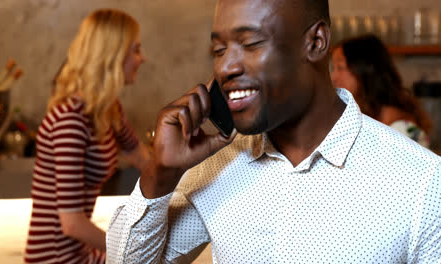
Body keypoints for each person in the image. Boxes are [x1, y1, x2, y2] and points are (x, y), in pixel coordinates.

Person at [106, 0, 441, 263]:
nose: (225, 67)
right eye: (219, 49)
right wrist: (159, 174)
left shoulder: (421, 183)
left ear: (316, 42)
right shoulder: (220, 166)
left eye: (250, 43)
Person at [24, 9, 150, 264]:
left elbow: (142, 158)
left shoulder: (109, 110)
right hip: (55, 260)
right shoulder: (70, 119)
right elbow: (72, 224)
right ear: (113, 54)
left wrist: (188, 179)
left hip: (80, 255)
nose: (142, 58)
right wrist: (129, 250)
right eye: (135, 49)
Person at [331, 34, 432, 147]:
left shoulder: (402, 130)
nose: (333, 77)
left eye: (340, 67)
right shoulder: (358, 118)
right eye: (333, 68)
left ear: (364, 70)